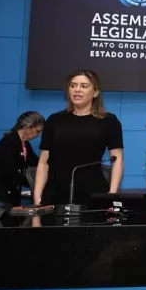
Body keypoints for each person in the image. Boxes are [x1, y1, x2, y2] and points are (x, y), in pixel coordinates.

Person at [32, 70, 124, 206]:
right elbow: (43, 163)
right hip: (55, 194)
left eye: (84, 86)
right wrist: (37, 198)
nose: (77, 90)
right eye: (73, 85)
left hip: (93, 193)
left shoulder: (109, 121)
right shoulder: (54, 120)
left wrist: (111, 195)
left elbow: (117, 160)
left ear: (96, 92)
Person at [0, 111, 44, 205]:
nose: (38, 135)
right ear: (27, 127)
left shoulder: (26, 145)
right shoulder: (7, 143)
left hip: (12, 193)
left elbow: (37, 163)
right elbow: (9, 172)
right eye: (37, 131)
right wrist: (36, 184)